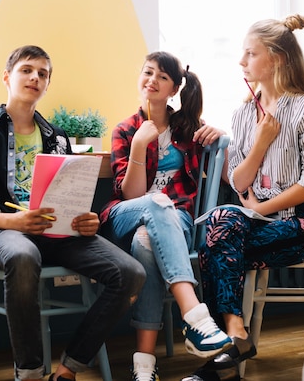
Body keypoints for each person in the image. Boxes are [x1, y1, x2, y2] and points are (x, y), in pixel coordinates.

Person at [0, 45, 146, 381]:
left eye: (43, 73)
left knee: (131, 272)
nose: (35, 78)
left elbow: (69, 198)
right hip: (7, 232)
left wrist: (86, 219)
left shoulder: (57, 138)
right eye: (27, 70)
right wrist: (12, 220)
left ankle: (68, 370)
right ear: (7, 77)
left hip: (58, 232)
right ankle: (28, 372)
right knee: (24, 256)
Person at [182, 14, 304, 381]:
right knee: (222, 222)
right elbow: (238, 179)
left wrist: (259, 208)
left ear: (277, 58)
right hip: (257, 219)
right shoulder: (243, 113)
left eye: (251, 54)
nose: (241, 61)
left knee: (216, 249)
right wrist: (261, 142)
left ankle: (227, 352)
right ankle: (236, 334)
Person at [99, 51, 232, 381]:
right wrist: (138, 148)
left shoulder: (188, 130)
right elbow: (131, 195)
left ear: (174, 89)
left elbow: (230, 172)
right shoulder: (126, 130)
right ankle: (195, 317)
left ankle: (144, 365)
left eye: (162, 77)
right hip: (125, 216)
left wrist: (219, 137)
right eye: (147, 73)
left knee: (147, 242)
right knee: (155, 203)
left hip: (176, 222)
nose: (152, 81)